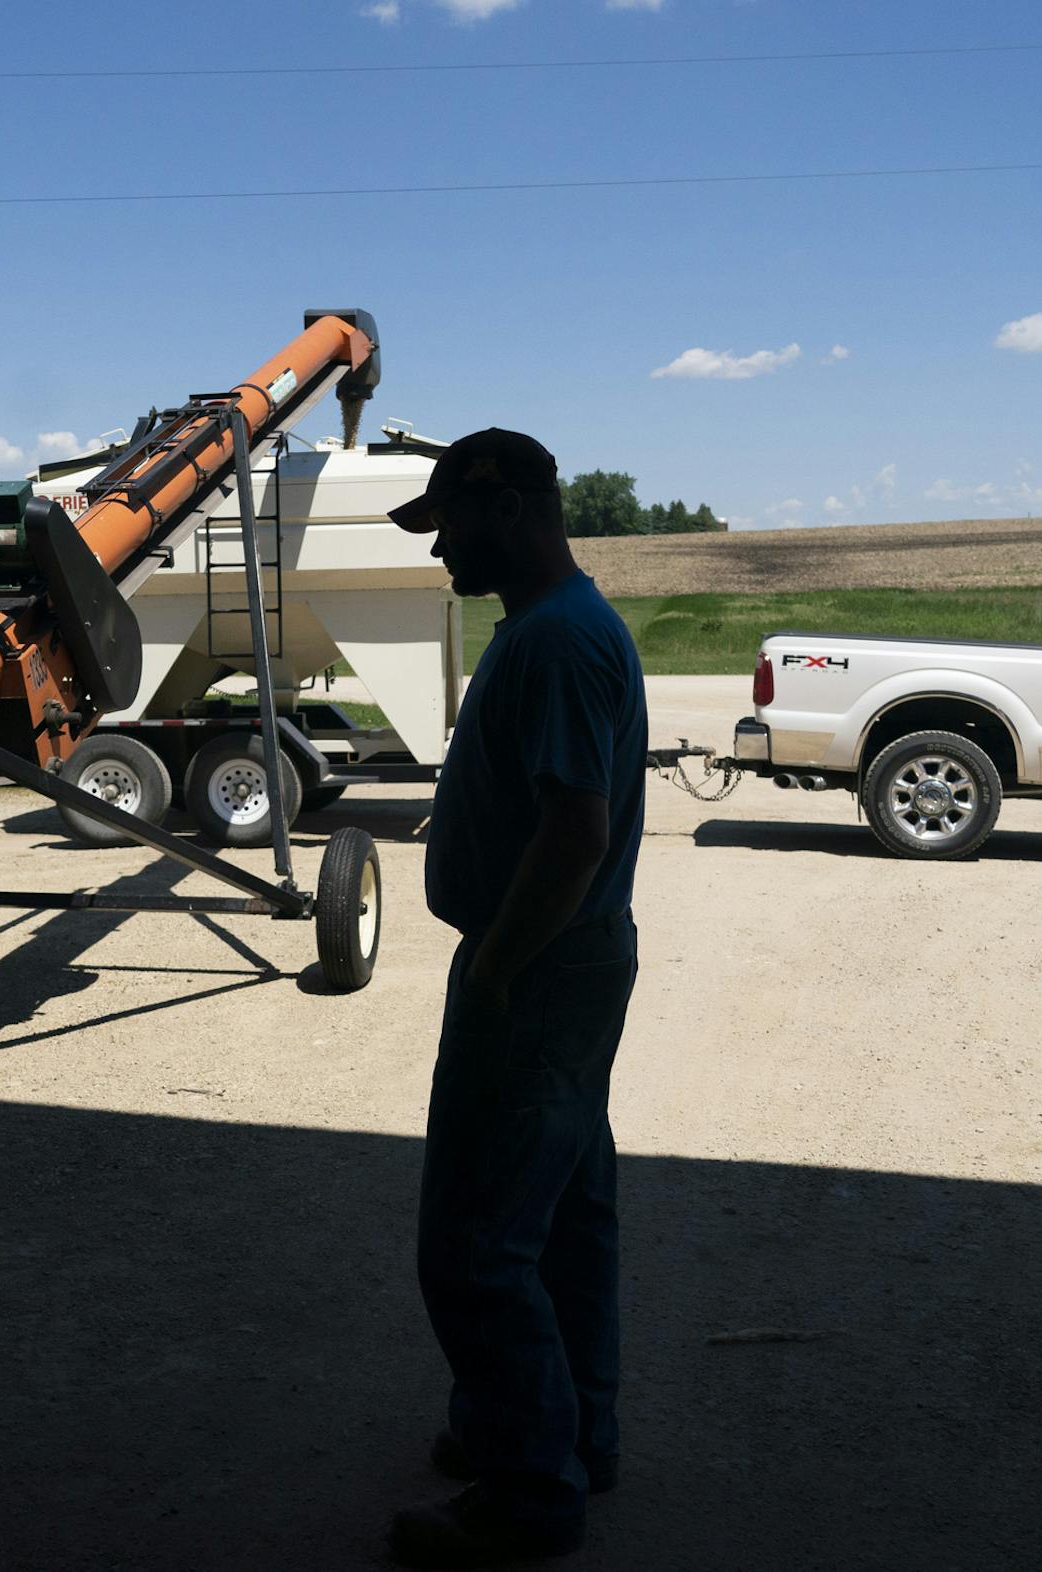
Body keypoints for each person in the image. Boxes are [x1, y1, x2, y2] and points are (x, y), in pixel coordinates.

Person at [383, 429, 648, 1567]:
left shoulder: (556, 644)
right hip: (566, 964)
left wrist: (493, 972)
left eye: (449, 521)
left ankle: (532, 1491)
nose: (439, 544)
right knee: (567, 1216)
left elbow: (574, 835)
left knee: (479, 1245)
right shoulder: (554, 629)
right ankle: (570, 1434)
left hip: (536, 968)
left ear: (513, 512)